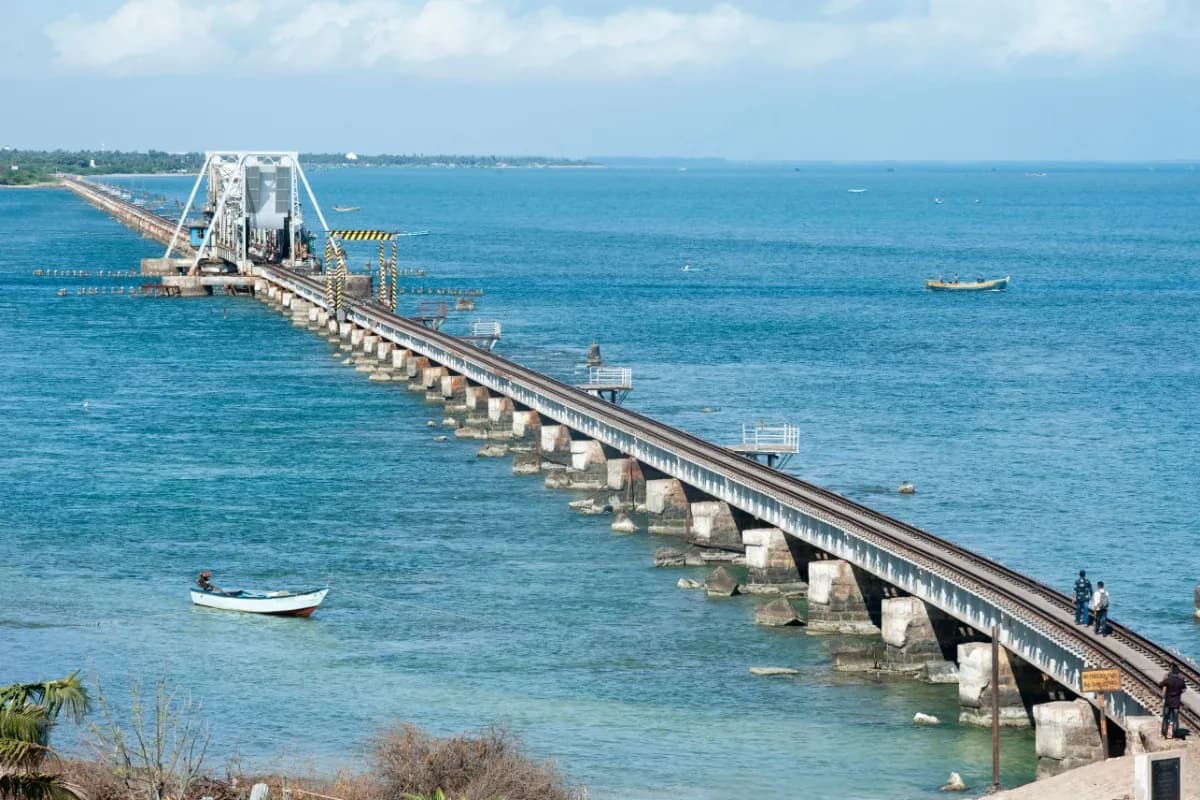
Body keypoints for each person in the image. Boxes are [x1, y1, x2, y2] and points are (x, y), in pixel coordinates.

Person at [1159, 663, 1187, 739]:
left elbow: (1160, 684)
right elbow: (1184, 689)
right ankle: (1175, 735)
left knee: (1165, 718)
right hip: (1176, 703)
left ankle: (1164, 734)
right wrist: (1179, 692)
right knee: (1175, 719)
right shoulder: (1181, 680)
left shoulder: (1168, 680)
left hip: (1168, 702)